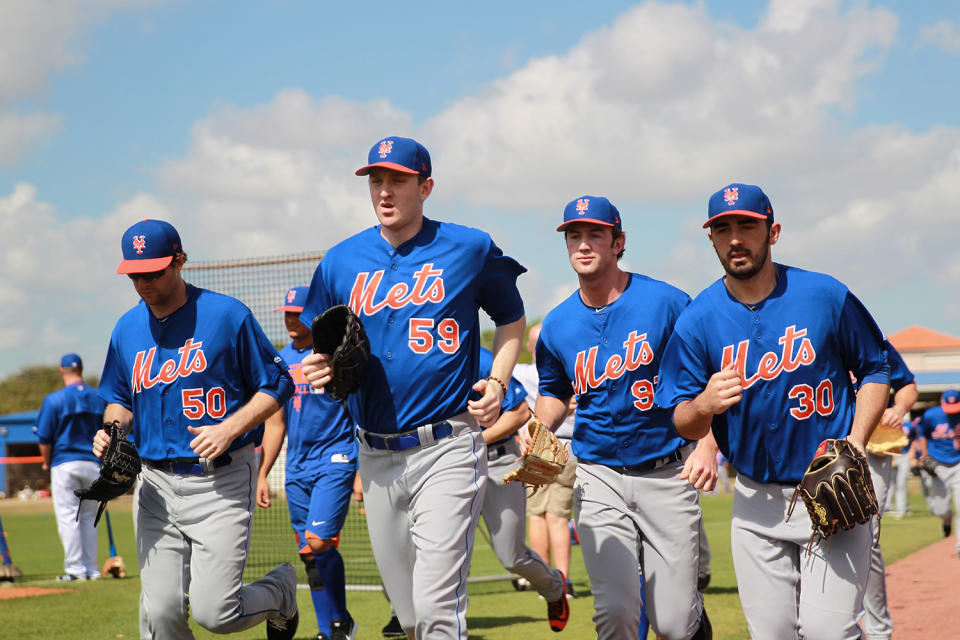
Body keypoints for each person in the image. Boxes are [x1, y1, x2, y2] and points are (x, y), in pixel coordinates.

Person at [299, 136, 538, 639]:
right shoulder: (341, 260)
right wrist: (319, 363)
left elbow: (512, 318)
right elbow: (318, 344)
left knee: (435, 610)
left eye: (398, 181)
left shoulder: (467, 247)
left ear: (425, 187)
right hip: (375, 454)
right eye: (376, 180)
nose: (385, 192)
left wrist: (499, 379)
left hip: (448, 445)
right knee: (408, 617)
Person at [656, 182, 890, 640]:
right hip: (755, 500)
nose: (735, 238)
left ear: (773, 231)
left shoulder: (824, 295)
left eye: (747, 225)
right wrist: (703, 404)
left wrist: (857, 443)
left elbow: (875, 367)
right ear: (711, 239)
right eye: (723, 229)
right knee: (773, 635)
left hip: (829, 486)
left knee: (828, 632)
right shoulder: (698, 319)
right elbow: (680, 417)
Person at [94, 219, 299, 640]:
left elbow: (278, 383)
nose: (143, 281)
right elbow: (120, 399)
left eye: (153, 270)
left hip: (220, 478)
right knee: (162, 613)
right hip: (154, 485)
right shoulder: (126, 329)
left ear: (180, 261)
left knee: (216, 613)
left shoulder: (226, 316)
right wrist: (112, 432)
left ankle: (280, 591)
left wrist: (230, 427)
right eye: (134, 273)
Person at [534, 195, 711, 640]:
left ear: (619, 242)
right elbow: (555, 391)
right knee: (615, 614)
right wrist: (540, 428)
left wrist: (707, 443)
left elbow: (706, 378)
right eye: (575, 235)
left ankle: (691, 615)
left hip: (667, 472)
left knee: (672, 623)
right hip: (598, 475)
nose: (584, 243)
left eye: (596, 233)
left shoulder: (667, 302)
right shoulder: (557, 325)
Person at [256, 286, 359, 640]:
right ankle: (328, 631)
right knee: (309, 555)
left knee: (319, 542)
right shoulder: (280, 361)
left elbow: (357, 412)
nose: (290, 319)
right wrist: (263, 473)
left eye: (296, 312)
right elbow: (275, 423)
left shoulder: (334, 356)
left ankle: (341, 618)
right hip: (297, 465)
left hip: (337, 457)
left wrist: (360, 471)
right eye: (285, 313)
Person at [475, 347, 567, 607]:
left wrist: (471, 443)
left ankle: (554, 587)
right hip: (449, 466)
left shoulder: (479, 358)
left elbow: (520, 412)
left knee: (511, 556)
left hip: (498, 460)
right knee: (447, 553)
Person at [512, 322, 578, 597]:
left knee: (538, 516)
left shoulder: (524, 373)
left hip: (537, 446)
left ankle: (545, 582)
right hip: (568, 445)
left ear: (531, 348)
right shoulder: (573, 370)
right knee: (558, 517)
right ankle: (562, 580)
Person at [860, 342, 917, 640]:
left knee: (866, 534)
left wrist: (900, 407)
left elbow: (906, 384)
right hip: (821, 447)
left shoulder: (875, 343)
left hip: (873, 447)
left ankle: (878, 630)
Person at [36, 353, 106, 581]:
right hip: (94, 464)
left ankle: (75, 570)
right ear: (82, 369)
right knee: (88, 518)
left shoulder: (54, 399)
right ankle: (92, 569)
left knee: (69, 517)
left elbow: (44, 437)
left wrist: (46, 462)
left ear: (61, 370)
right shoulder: (98, 397)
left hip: (65, 462)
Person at [918, 388, 960, 552]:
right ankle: (946, 518)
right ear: (942, 403)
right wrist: (924, 455)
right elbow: (922, 433)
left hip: (958, 463)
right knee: (939, 508)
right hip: (937, 465)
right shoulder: (931, 415)